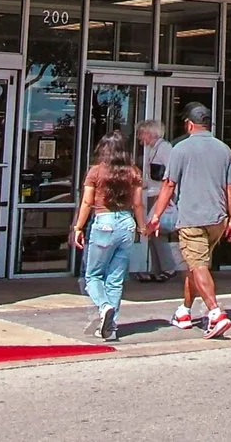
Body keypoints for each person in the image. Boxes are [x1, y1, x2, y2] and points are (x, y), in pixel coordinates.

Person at [145, 101, 231, 338]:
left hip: (192, 219)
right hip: (218, 219)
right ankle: (184, 311)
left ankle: (215, 313)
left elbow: (169, 184)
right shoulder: (224, 149)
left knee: (197, 265)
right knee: (196, 266)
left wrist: (156, 215)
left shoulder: (180, 150)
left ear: (188, 124)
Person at [68, 133, 149, 341]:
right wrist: (142, 227)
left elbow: (87, 203)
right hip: (127, 224)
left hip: (103, 222)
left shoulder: (95, 172)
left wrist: (78, 227)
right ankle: (110, 328)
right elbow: (138, 204)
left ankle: (104, 308)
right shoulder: (133, 172)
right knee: (115, 279)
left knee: (93, 276)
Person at [133, 118, 178, 282]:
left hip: (161, 196)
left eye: (141, 133)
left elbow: (172, 174)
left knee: (155, 231)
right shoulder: (152, 150)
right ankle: (158, 269)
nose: (139, 138)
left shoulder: (165, 149)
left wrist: (169, 197)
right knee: (153, 234)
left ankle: (168, 268)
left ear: (150, 133)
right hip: (152, 194)